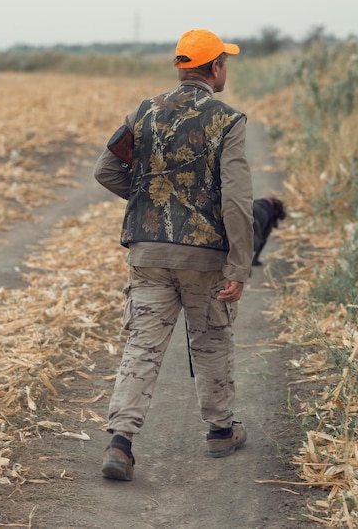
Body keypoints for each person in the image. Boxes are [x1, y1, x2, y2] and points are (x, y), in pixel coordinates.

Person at [94, 29, 254, 481]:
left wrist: (149, 205)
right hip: (204, 260)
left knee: (142, 346)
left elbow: (105, 169)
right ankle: (221, 431)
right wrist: (240, 264)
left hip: (147, 254)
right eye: (225, 62)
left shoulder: (143, 112)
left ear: (182, 67)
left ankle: (120, 444)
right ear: (215, 68)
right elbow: (239, 201)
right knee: (210, 340)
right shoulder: (228, 119)